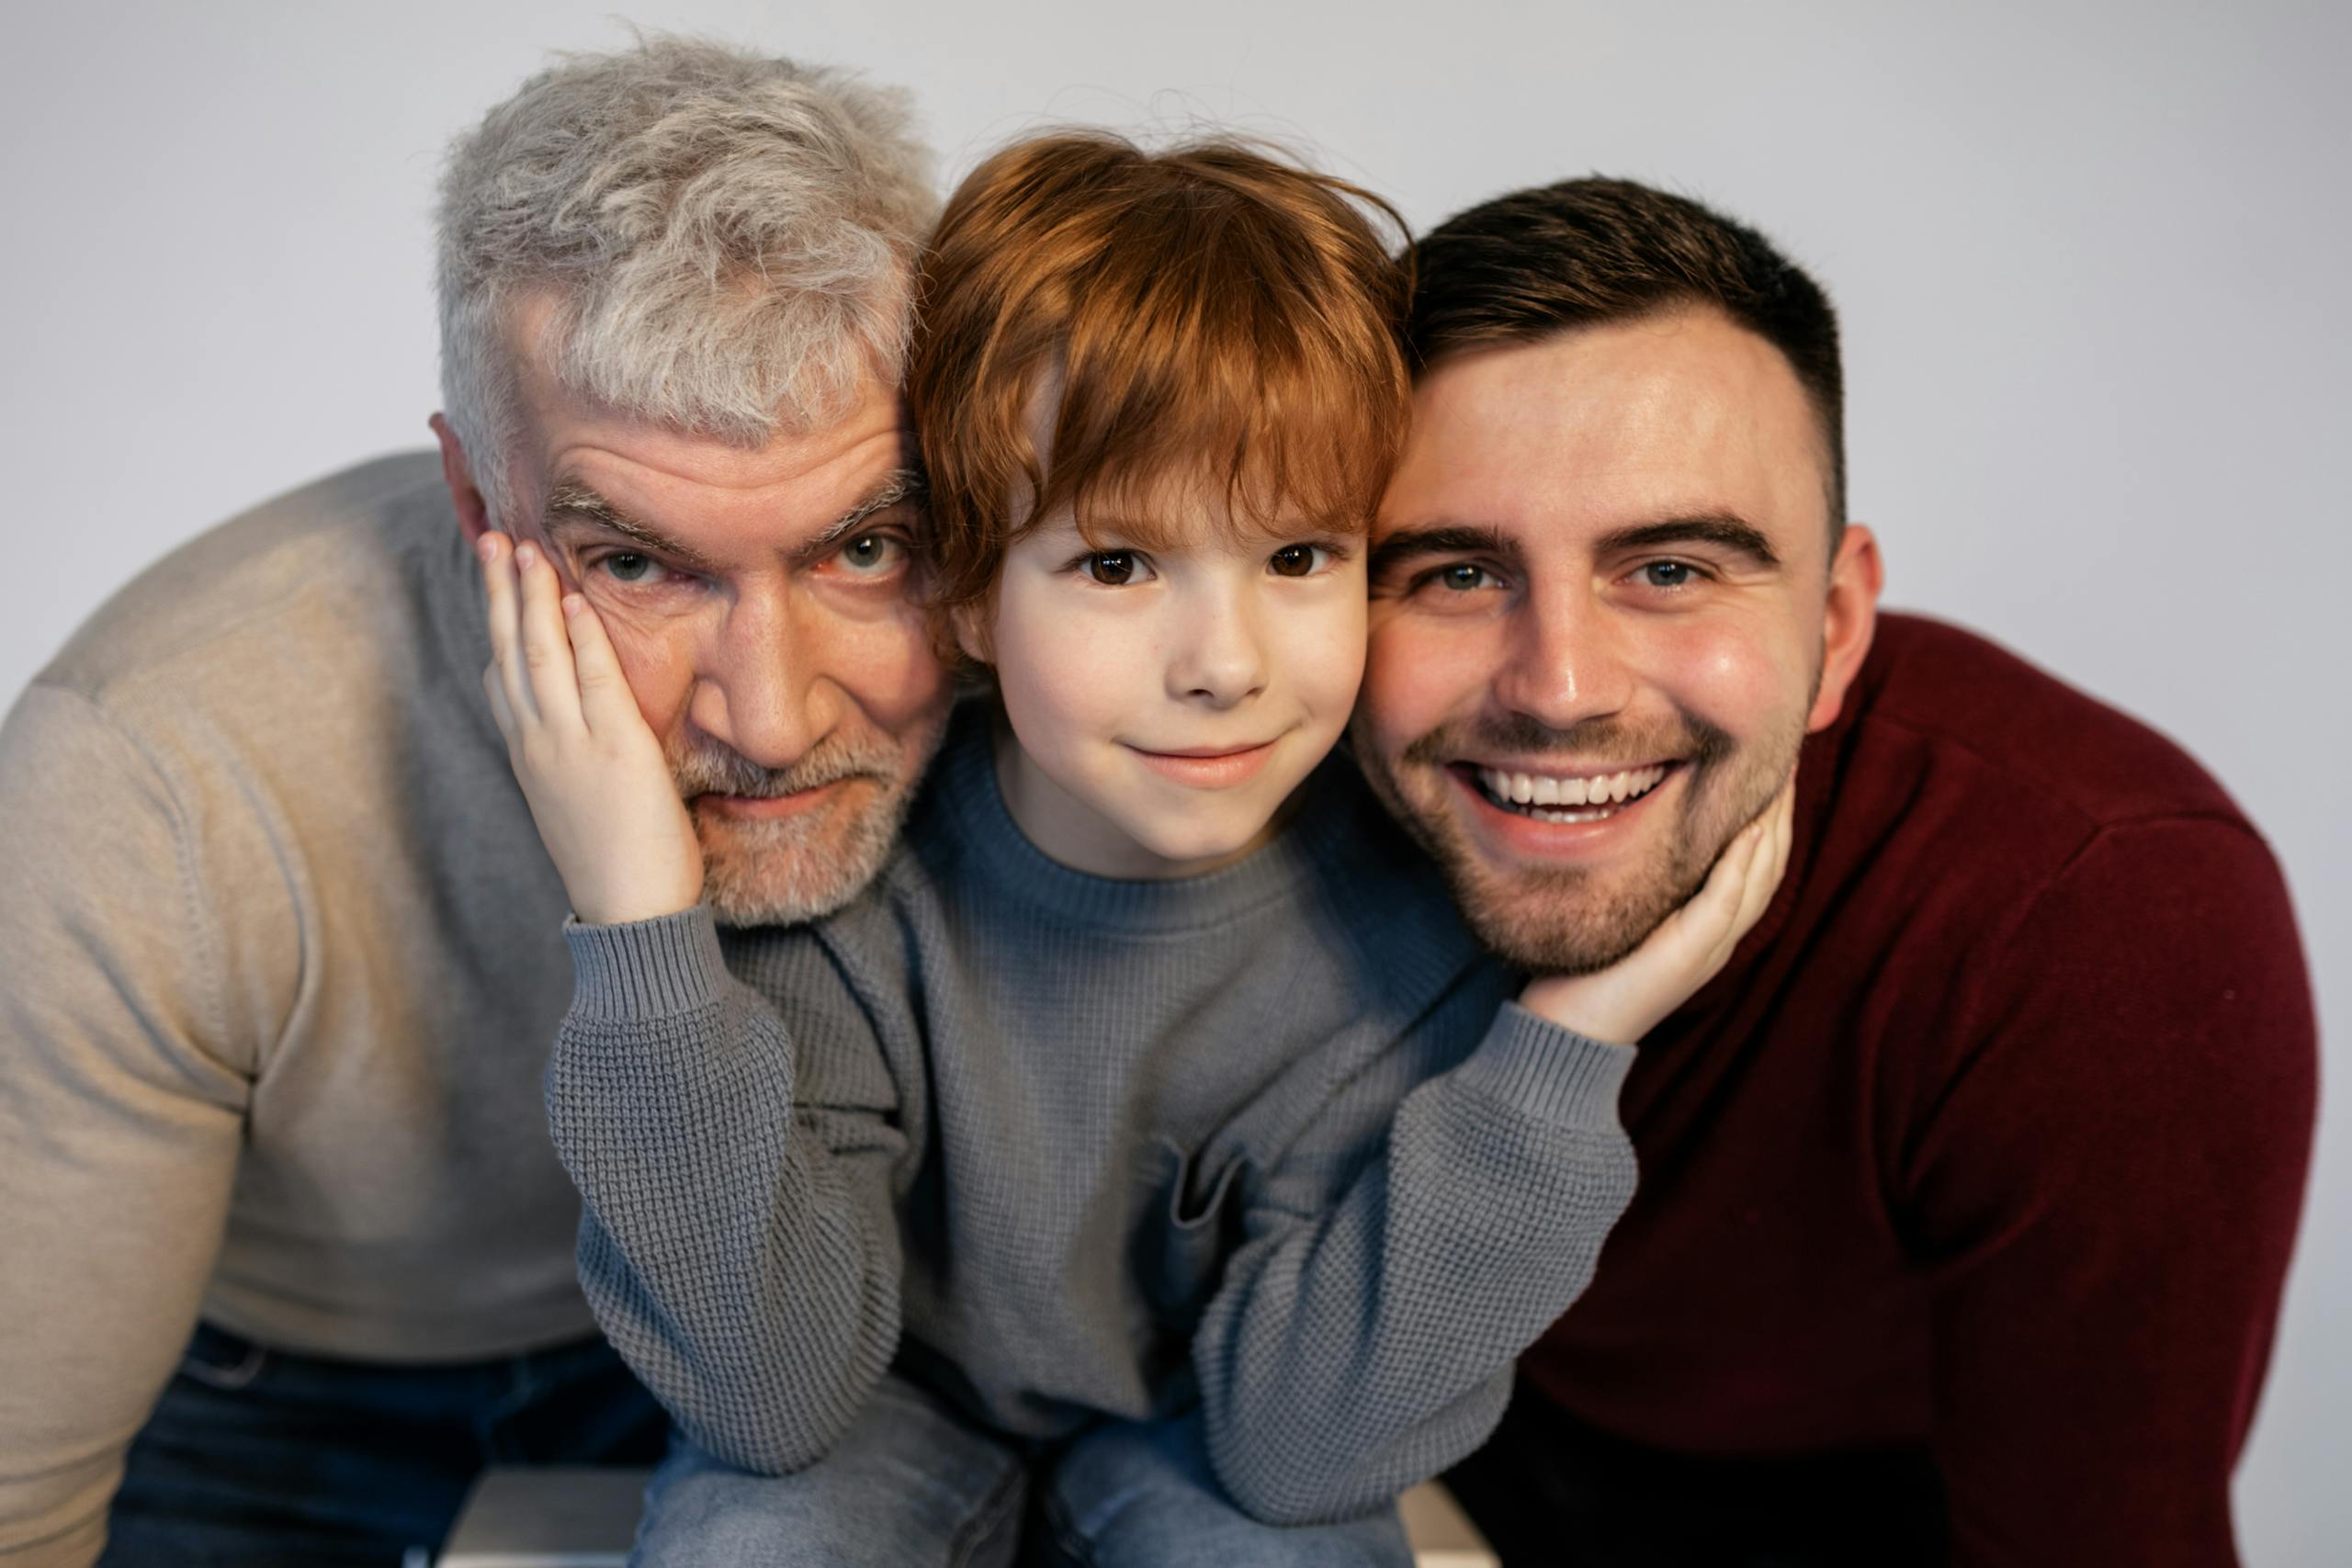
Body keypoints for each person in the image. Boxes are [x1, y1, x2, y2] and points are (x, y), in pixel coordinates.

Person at [492, 133, 1788, 1567]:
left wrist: (1564, 1046)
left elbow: (1301, 1457)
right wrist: (644, 940)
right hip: (871, 1405)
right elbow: (769, 1401)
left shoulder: (1421, 923)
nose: (1224, 665)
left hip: (1210, 1431)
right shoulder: (845, 873)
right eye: (1116, 565)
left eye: (1299, 557)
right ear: (970, 591)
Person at [0, 39, 948, 1567]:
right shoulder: (153, 771)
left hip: (797, 1356)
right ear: (473, 500)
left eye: (865, 547)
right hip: (278, 1406)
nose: (773, 720)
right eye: (635, 562)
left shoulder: (1043, 652)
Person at [1349, 176, 2319, 1567]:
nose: (1559, 689)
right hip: (1417, 1443)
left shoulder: (2092, 917)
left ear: (1839, 625)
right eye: (1450, 573)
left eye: (1671, 569)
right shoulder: (1258, 779)